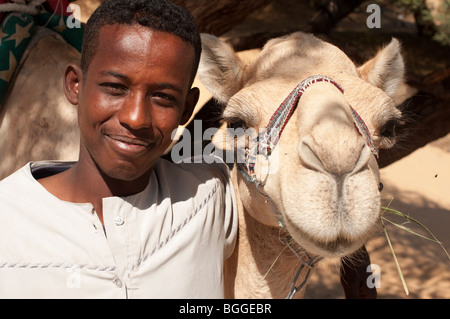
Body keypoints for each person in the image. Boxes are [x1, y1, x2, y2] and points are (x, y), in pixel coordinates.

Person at [0, 0, 237, 298]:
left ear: (187, 109)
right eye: (115, 87)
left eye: (163, 97)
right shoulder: (7, 220)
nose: (135, 118)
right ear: (75, 84)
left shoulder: (212, 196)